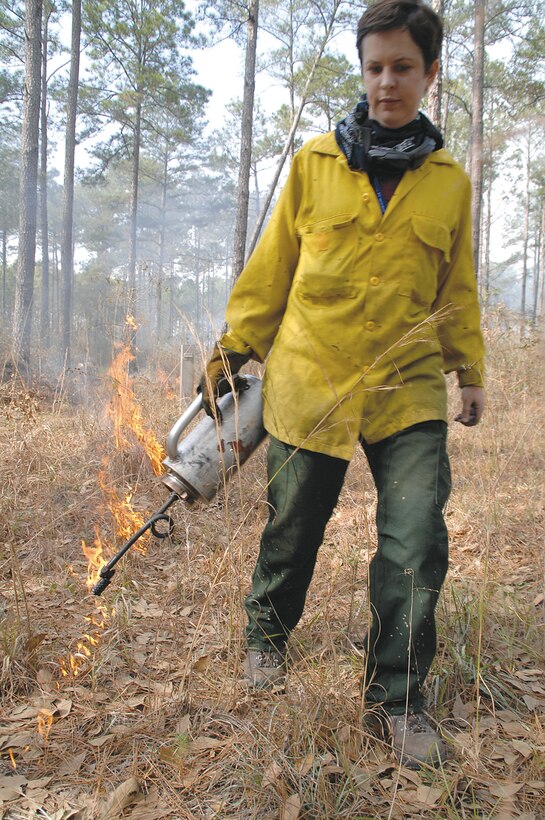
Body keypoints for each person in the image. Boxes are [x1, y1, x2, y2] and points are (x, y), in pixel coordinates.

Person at [198, 0, 484, 769]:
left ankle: (394, 700)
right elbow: (271, 271)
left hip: (406, 385)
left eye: (401, 67)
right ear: (361, 72)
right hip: (311, 376)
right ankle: (266, 636)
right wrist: (234, 348)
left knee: (417, 540)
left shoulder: (449, 183)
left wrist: (470, 371)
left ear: (428, 73)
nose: (385, 83)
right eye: (373, 67)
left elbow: (455, 287)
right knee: (292, 529)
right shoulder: (315, 163)